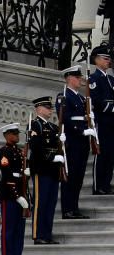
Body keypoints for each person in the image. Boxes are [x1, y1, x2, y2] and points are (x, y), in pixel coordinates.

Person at [58, 65, 93, 219]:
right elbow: (66, 118)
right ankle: (67, 209)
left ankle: (75, 207)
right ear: (69, 78)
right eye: (77, 78)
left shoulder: (80, 97)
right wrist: (81, 130)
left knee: (78, 177)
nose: (80, 80)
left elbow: (85, 117)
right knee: (70, 177)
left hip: (82, 143)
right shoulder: (64, 96)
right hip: (72, 142)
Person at [29, 96, 64, 244]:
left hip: (53, 171)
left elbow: (58, 146)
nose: (50, 110)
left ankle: (47, 234)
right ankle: (38, 234)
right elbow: (36, 147)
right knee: (40, 202)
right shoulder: (35, 125)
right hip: (42, 169)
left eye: (50, 107)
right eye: (47, 107)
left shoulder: (53, 127)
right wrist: (51, 158)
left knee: (50, 203)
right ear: (39, 108)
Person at [0, 123, 31, 255]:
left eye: (17, 133)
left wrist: (28, 172)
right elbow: (7, 176)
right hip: (9, 194)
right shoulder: (3, 152)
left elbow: (22, 174)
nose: (17, 136)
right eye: (14, 133)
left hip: (21, 192)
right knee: (9, 229)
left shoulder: (20, 152)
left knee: (19, 230)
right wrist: (17, 196)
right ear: (6, 135)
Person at [90, 45, 114, 195]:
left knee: (111, 154)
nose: (108, 61)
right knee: (101, 154)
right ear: (97, 60)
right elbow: (97, 101)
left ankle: (106, 184)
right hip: (102, 121)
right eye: (105, 59)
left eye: (109, 59)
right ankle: (98, 185)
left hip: (112, 122)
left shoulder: (111, 79)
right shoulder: (94, 79)